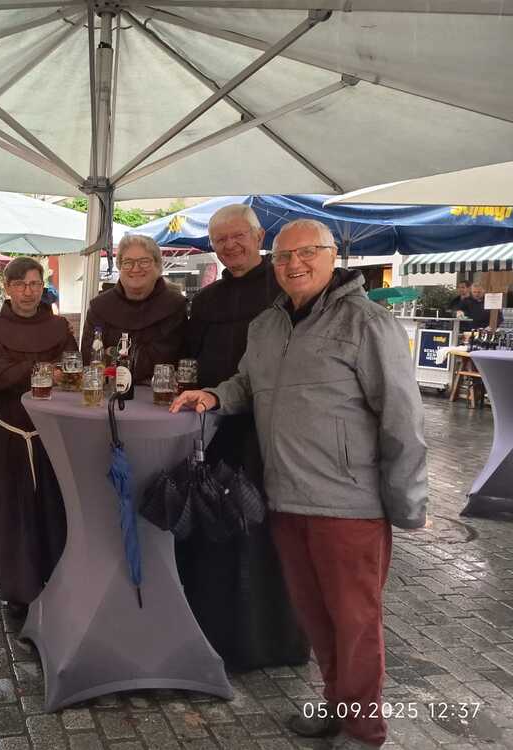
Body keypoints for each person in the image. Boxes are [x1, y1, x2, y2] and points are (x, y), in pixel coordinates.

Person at [172, 219, 428, 750]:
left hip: (349, 504)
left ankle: (364, 730)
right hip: (284, 496)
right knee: (315, 616)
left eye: (307, 252)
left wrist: (407, 504)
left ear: (332, 256)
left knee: (355, 622)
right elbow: (247, 382)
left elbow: (402, 418)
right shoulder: (267, 325)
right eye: (285, 256)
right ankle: (336, 707)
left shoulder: (366, 322)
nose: (294, 264)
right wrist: (215, 396)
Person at [178, 204, 309, 672]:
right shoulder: (206, 301)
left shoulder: (286, 287)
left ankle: (271, 641)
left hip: (271, 433)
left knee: (268, 536)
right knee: (216, 532)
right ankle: (216, 634)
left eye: (238, 236)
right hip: (216, 431)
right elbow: (190, 361)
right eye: (220, 240)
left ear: (259, 237)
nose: (230, 245)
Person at [0, 257, 74, 617]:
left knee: (54, 511)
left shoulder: (59, 327)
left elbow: (72, 367)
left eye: (34, 284)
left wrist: (37, 372)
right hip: (14, 437)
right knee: (14, 514)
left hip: (53, 437)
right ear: (8, 288)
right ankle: (19, 589)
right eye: (20, 285)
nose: (28, 292)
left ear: (42, 286)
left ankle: (56, 580)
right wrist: (43, 370)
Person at [81, 234, 187, 384]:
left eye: (144, 262)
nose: (135, 269)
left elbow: (164, 360)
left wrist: (111, 353)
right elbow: (89, 358)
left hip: (157, 393)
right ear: (119, 266)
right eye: (128, 262)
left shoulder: (175, 306)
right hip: (108, 392)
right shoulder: (99, 306)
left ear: (157, 266)